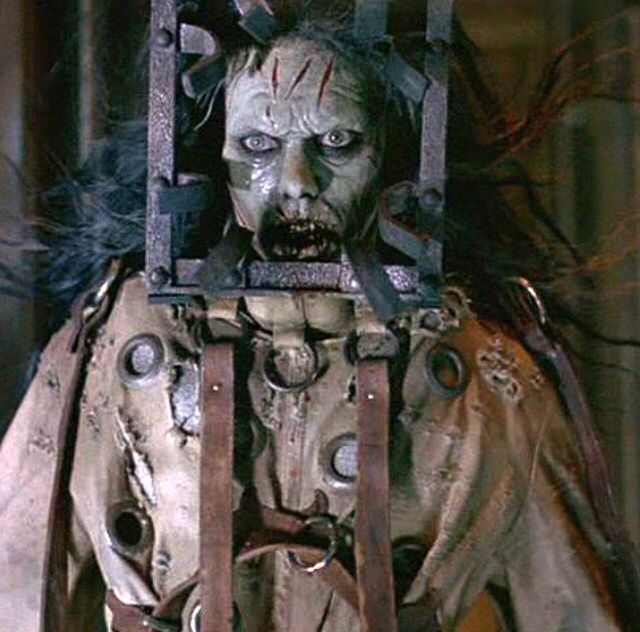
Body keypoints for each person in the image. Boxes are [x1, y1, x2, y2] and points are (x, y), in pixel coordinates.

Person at [0, 3, 638, 631]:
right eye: (257, 145)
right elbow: (17, 585)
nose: (296, 181)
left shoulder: (475, 369)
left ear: (390, 149)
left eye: (336, 143)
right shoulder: (119, 338)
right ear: (213, 152)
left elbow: (575, 610)